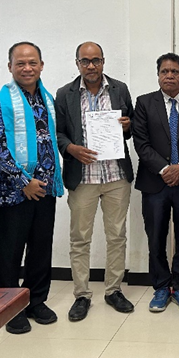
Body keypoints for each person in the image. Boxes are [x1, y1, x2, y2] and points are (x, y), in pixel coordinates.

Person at [0, 41, 64, 334]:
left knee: (40, 249)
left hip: (44, 190)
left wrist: (42, 183)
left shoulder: (48, 100)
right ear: (10, 67)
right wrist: (23, 182)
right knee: (8, 251)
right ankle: (8, 306)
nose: (27, 68)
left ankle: (35, 300)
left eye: (33, 63)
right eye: (20, 63)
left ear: (41, 65)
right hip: (12, 192)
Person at [55, 42, 135, 322]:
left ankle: (113, 290)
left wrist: (127, 126)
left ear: (103, 61)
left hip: (115, 176)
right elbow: (59, 133)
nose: (91, 66)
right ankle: (81, 295)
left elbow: (131, 127)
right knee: (80, 239)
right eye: (85, 61)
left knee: (117, 236)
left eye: (96, 60)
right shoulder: (64, 94)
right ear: (77, 63)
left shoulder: (120, 89)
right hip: (83, 177)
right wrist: (71, 149)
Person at [133, 53, 179, 313]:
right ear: (158, 75)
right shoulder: (143, 103)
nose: (170, 76)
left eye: (175, 72)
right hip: (155, 183)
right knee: (156, 237)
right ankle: (162, 287)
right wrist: (165, 169)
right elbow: (141, 142)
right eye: (165, 71)